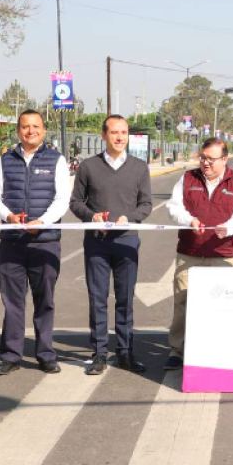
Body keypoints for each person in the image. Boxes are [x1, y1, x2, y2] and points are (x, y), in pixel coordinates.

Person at [0, 110, 71, 376]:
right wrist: (8, 216)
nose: (30, 131)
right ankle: (11, 354)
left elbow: (62, 200)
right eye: (25, 126)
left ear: (43, 130)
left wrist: (42, 222)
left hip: (45, 242)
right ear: (18, 131)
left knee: (44, 300)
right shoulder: (4, 161)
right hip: (12, 242)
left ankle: (46, 354)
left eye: (36, 126)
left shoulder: (57, 160)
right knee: (12, 301)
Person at [70, 115, 152, 375]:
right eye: (114, 132)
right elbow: (75, 202)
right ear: (103, 136)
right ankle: (99, 354)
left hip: (127, 242)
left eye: (124, 132)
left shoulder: (140, 167)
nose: (119, 137)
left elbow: (146, 204)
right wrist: (91, 216)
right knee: (98, 299)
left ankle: (126, 352)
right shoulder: (88, 167)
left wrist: (132, 218)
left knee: (125, 299)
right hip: (97, 244)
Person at [164, 137, 233, 370]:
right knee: (182, 302)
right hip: (190, 253)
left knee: (223, 304)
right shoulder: (187, 179)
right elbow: (174, 207)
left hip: (223, 253)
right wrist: (188, 219)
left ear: (225, 159)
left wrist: (230, 227)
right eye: (203, 158)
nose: (206, 163)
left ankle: (220, 349)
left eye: (212, 159)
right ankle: (177, 350)